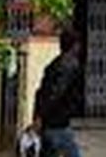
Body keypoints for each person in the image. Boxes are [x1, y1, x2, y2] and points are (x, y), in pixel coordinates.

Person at [34, 28, 84, 157]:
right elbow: (55, 94)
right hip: (58, 123)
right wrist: (41, 116)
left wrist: (38, 116)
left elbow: (40, 92)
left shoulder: (54, 64)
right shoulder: (70, 65)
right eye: (78, 44)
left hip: (50, 122)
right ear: (75, 45)